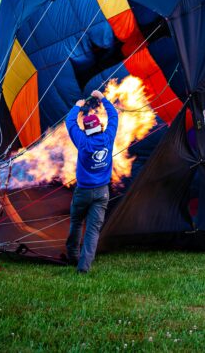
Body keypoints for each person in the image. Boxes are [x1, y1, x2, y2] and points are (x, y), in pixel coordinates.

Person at [64, 88, 118, 273]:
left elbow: (69, 122)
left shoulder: (82, 141)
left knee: (77, 222)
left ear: (86, 130)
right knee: (93, 230)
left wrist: (77, 107)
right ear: (100, 127)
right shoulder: (108, 138)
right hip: (102, 192)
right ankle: (83, 267)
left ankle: (72, 256)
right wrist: (102, 98)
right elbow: (114, 117)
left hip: (83, 191)